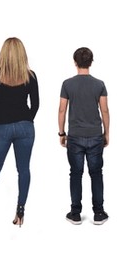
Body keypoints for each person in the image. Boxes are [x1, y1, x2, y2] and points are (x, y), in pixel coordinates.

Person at [0, 37, 38, 227]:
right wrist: (27, 119)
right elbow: (35, 105)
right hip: (25, 127)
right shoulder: (30, 75)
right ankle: (21, 212)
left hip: (1, 127)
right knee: (24, 170)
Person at [58, 47, 110, 225]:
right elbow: (104, 110)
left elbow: (62, 110)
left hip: (74, 136)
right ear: (91, 61)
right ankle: (99, 212)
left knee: (76, 174)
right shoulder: (99, 84)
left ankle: (75, 213)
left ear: (75, 62)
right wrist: (106, 133)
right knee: (96, 174)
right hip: (95, 135)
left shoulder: (67, 84)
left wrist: (61, 133)